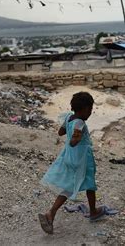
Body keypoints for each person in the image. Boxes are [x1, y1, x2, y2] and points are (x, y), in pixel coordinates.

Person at [38, 92, 105, 234]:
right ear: (85, 109)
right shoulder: (80, 122)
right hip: (82, 158)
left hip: (69, 156)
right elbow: (74, 141)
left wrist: (72, 136)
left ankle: (51, 213)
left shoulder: (69, 117)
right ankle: (93, 212)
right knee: (90, 184)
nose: (90, 113)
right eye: (90, 109)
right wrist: (75, 138)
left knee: (69, 186)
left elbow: (60, 132)